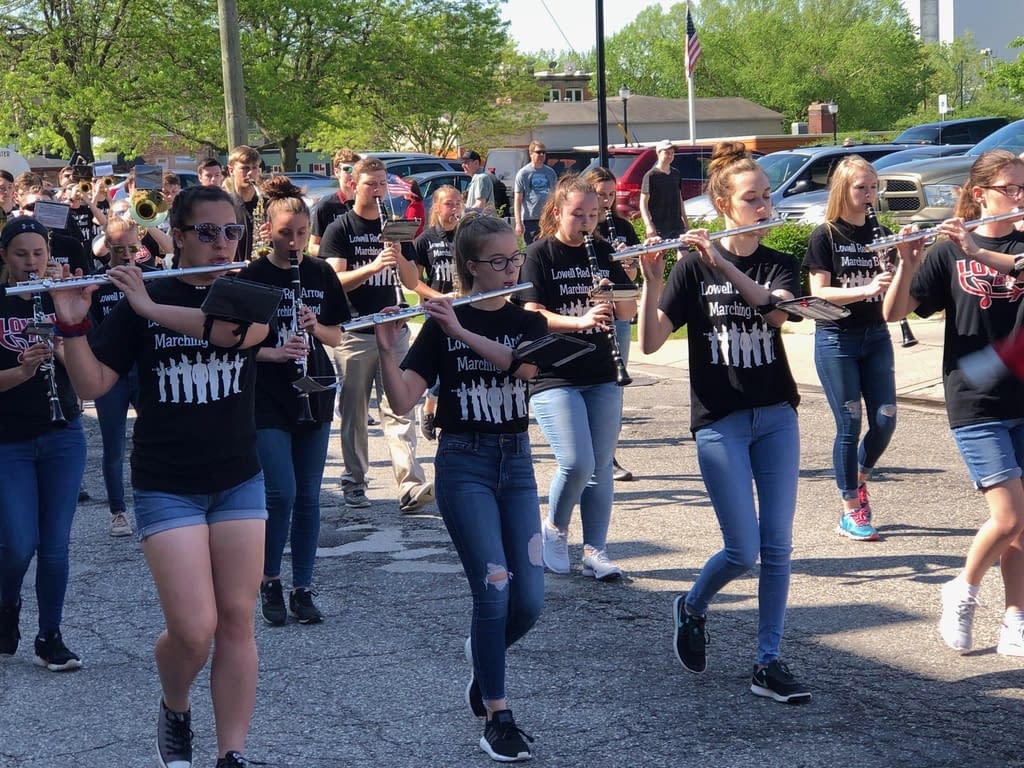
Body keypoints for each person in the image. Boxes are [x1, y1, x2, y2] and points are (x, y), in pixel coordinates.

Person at [52, 184, 272, 768]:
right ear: (178, 234)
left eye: (231, 232)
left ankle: (233, 754)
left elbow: (233, 333)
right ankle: (175, 704)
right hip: (166, 481)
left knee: (237, 618)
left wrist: (148, 308)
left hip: (238, 477)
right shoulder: (144, 296)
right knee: (194, 630)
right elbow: (94, 385)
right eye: (207, 232)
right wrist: (73, 329)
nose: (223, 242)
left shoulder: (250, 290)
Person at [638, 141, 810, 703]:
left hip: (776, 413)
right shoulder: (692, 266)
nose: (764, 206)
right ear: (722, 204)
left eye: (766, 196)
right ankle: (692, 604)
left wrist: (726, 267)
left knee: (778, 545)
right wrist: (651, 277)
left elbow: (776, 311)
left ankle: (768, 661)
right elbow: (651, 340)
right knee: (743, 550)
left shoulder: (780, 261)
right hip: (720, 419)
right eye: (751, 198)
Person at [376, 213, 545, 762]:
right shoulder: (441, 326)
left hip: (515, 463)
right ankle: (498, 712)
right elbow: (403, 400)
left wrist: (461, 331)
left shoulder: (527, 320)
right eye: (497, 262)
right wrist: (385, 347)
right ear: (471, 268)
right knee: (493, 589)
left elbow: (522, 369)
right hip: (464, 463)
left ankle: (483, 653)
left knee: (530, 602)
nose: (510, 268)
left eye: (514, 258)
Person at [883, 149, 1024, 657]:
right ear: (980, 192)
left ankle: (1014, 619)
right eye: (1011, 189)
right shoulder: (947, 251)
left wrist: (976, 248)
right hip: (975, 397)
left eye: (1023, 188)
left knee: (1023, 524)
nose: (1020, 197)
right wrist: (908, 262)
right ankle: (962, 590)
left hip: (1022, 392)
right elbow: (895, 311)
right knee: (1007, 517)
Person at [238, 176, 348, 627]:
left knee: (308, 497)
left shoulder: (320, 272)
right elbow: (236, 343)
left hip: (314, 390)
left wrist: (314, 325)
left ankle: (303, 586)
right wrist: (275, 351)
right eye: (285, 234)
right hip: (267, 393)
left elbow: (336, 335)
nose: (295, 242)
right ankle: (269, 579)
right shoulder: (253, 277)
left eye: (301, 233)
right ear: (267, 231)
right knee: (279, 492)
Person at [519, 174, 636, 580]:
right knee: (576, 461)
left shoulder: (603, 251)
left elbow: (627, 314)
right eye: (577, 214)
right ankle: (553, 526)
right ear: (556, 212)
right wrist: (579, 319)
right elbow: (531, 314)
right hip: (554, 372)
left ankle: (595, 549)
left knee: (601, 465)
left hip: (601, 369)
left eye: (594, 214)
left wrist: (631, 282)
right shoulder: (539, 253)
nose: (587, 222)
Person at [319, 157, 434, 513]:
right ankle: (354, 481)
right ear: (355, 185)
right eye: (371, 184)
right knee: (354, 411)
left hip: (394, 328)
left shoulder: (396, 227)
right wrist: (372, 266)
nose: (378, 191)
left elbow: (412, 282)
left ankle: (409, 484)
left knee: (399, 409)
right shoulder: (341, 228)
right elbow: (333, 280)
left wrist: (398, 257)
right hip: (355, 330)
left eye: (382, 184)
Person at [0, 216, 87, 672]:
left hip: (62, 434)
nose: (31, 263)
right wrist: (22, 372)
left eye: (38, 254)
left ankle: (49, 635)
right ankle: (7, 600)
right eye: (21, 254)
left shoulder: (58, 300)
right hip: (7, 439)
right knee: (17, 543)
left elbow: (88, 373)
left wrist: (61, 340)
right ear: (4, 257)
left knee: (55, 545)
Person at [803, 155, 897, 542]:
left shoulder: (880, 233)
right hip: (836, 336)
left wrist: (908, 261)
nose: (869, 195)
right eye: (861, 188)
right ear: (844, 190)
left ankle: (859, 475)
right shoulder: (825, 234)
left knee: (886, 418)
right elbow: (818, 292)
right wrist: (866, 289)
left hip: (875, 334)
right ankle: (850, 509)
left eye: (873, 187)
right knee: (850, 423)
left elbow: (896, 288)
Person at [89, 216, 158, 538]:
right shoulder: (97, 283)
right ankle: (118, 510)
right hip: (111, 372)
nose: (128, 255)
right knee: (114, 444)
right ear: (108, 247)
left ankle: (158, 499)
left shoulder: (154, 277)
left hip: (145, 369)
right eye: (119, 250)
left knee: (155, 435)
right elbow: (91, 333)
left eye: (133, 248)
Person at [588, 165, 640, 482]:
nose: (606, 202)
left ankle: (609, 455)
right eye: (600, 195)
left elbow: (631, 278)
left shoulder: (622, 227)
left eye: (611, 195)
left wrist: (628, 262)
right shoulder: (582, 228)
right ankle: (591, 453)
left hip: (619, 313)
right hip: (589, 313)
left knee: (614, 389)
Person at [412, 185, 463, 440]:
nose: (454, 209)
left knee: (460, 360)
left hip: (464, 307)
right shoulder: (426, 239)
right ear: (437, 207)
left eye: (457, 203)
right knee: (441, 360)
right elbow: (412, 280)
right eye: (449, 204)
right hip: (437, 307)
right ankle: (430, 406)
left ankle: (437, 405)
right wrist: (436, 296)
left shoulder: (466, 236)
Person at [310, 148, 360, 258]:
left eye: (356, 170)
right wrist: (337, 254)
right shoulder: (326, 205)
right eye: (348, 169)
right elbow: (312, 246)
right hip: (334, 270)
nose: (352, 174)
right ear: (337, 172)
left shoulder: (367, 203)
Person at [639, 140, 688, 240]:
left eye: (672, 153)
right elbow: (643, 203)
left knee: (684, 253)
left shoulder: (676, 174)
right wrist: (648, 225)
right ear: (658, 153)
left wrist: (686, 223)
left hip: (676, 225)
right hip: (659, 226)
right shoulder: (650, 176)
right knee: (659, 254)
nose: (670, 156)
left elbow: (680, 199)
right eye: (667, 153)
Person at [222, 145, 263, 263]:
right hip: (233, 274)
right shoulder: (224, 205)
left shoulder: (267, 203)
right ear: (231, 171)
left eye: (255, 168)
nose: (250, 173)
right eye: (245, 168)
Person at [513, 141, 557, 245]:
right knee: (532, 248)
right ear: (531, 153)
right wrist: (518, 222)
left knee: (549, 247)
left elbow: (556, 196)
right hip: (530, 219)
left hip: (548, 218)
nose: (541, 155)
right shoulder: (523, 173)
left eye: (543, 152)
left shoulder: (551, 172)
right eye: (538, 152)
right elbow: (518, 200)